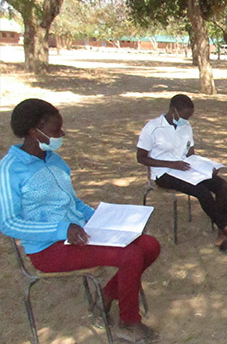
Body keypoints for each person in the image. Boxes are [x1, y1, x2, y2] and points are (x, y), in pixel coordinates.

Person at [0, 99, 161, 343]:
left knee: (149, 245)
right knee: (130, 255)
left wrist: (101, 217)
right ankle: (128, 322)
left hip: (80, 233)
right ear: (35, 131)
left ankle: (105, 298)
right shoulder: (10, 169)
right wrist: (61, 229)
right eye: (56, 130)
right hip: (47, 249)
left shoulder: (53, 159)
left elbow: (72, 202)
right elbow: (9, 223)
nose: (61, 135)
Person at [136, 94, 227, 253]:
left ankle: (221, 232)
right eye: (185, 117)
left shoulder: (186, 127)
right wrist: (172, 164)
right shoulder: (152, 128)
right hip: (163, 173)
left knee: (221, 185)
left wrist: (206, 167)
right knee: (202, 192)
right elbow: (141, 158)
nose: (187, 121)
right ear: (174, 110)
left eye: (189, 117)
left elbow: (190, 153)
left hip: (185, 168)